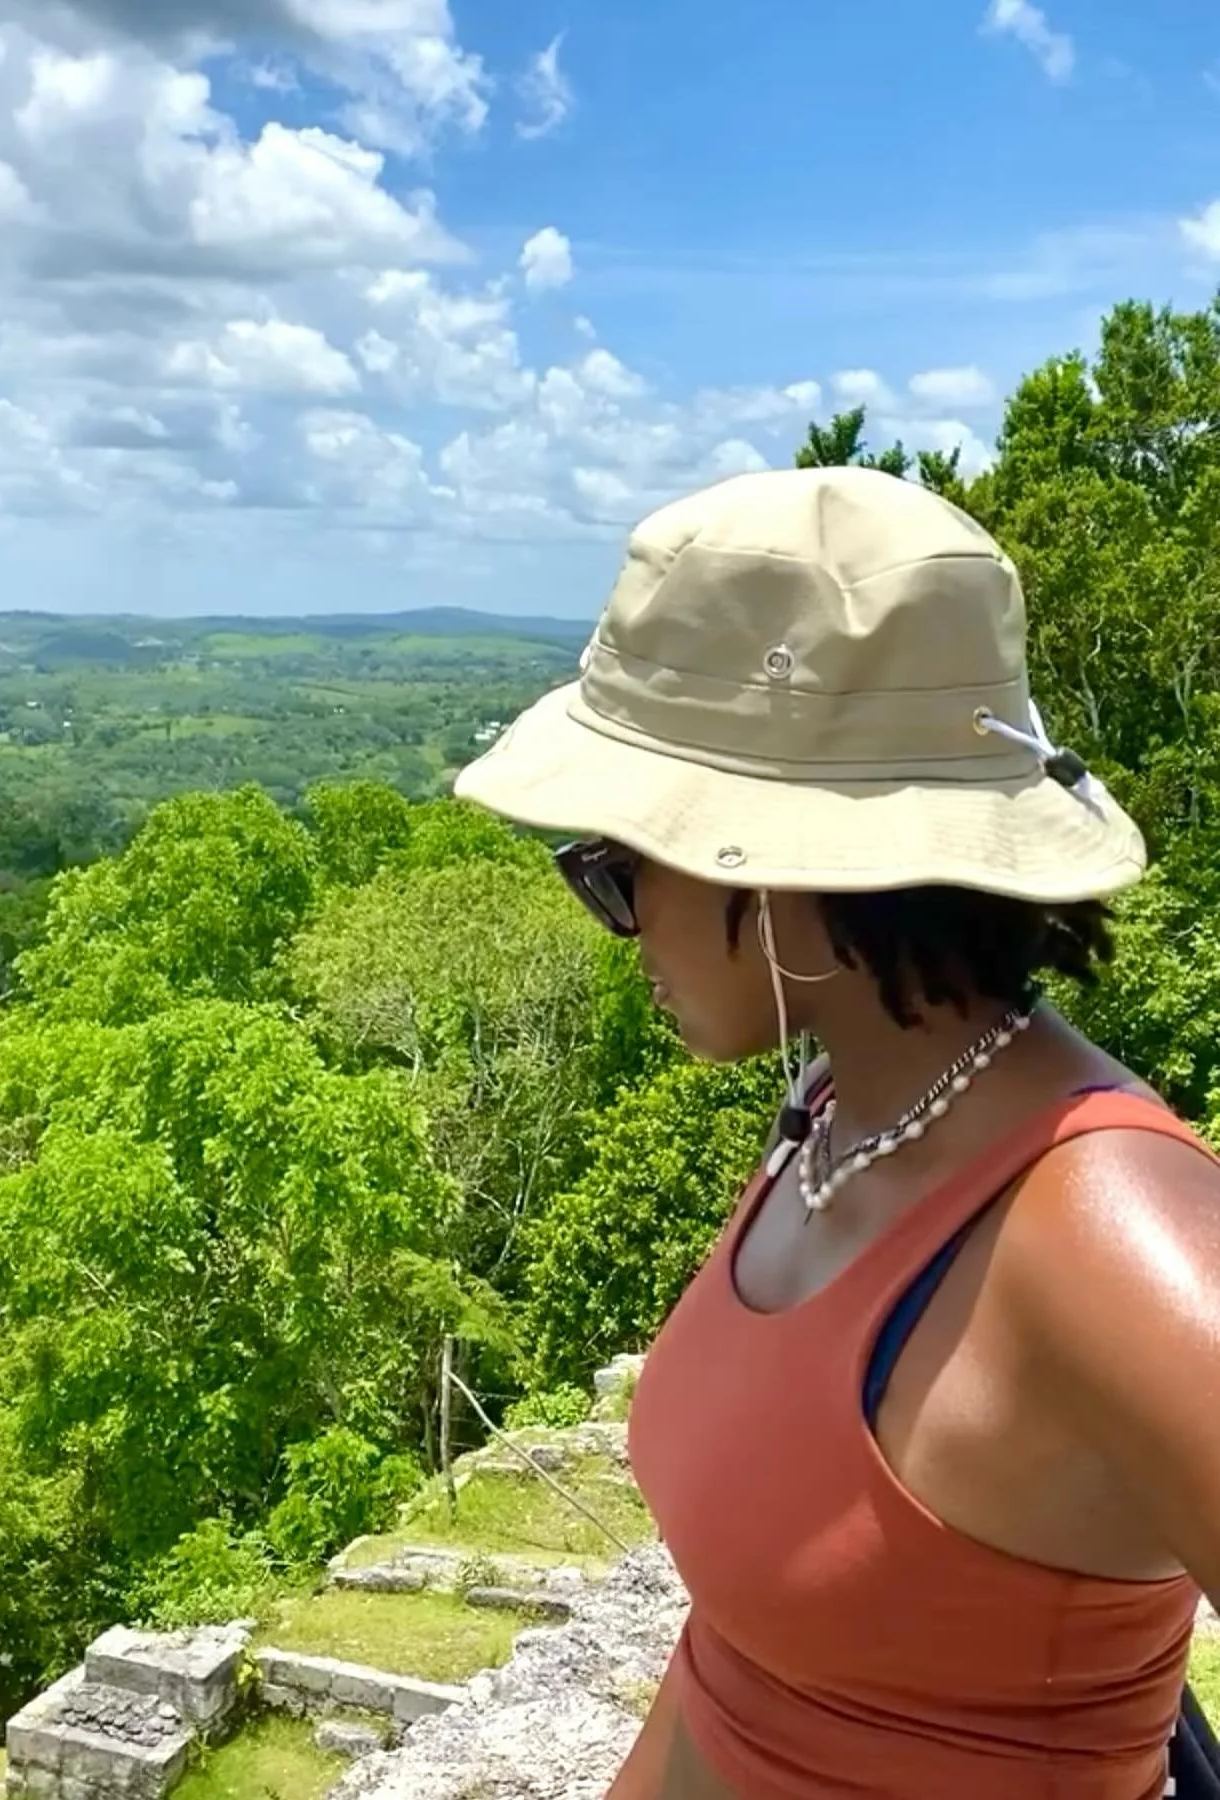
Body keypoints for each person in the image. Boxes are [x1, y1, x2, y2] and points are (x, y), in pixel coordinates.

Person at [453, 465, 1220, 1800]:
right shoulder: (830, 1113)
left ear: (777, 858)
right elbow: (745, 1668)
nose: (615, 915)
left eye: (620, 865)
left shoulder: (1099, 1228)